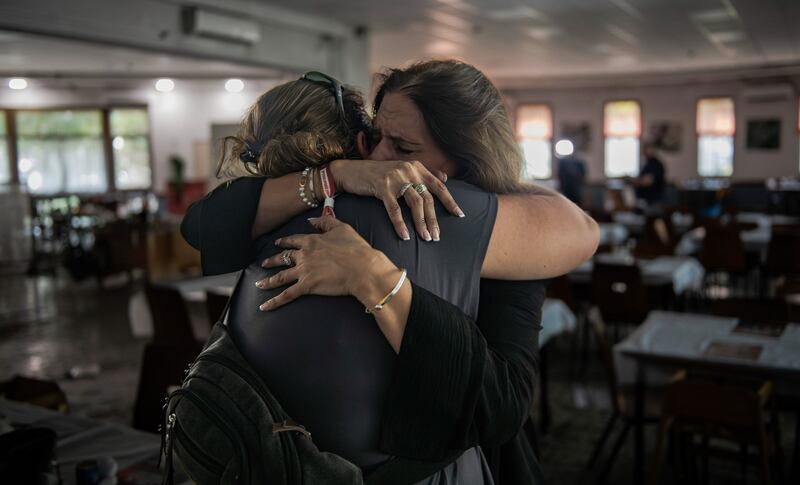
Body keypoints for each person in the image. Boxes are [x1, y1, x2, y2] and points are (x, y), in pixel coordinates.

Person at [182, 61, 599, 483]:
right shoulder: (347, 199)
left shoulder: (449, 211)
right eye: (375, 138)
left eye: (403, 149)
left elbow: (503, 401)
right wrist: (338, 174)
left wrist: (374, 276)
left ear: (466, 157)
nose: (381, 160)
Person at [633, 142, 666, 210]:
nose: (644, 151)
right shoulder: (647, 163)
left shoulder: (656, 165)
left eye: (647, 149)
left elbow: (648, 181)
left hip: (653, 201)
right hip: (645, 200)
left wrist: (637, 182)